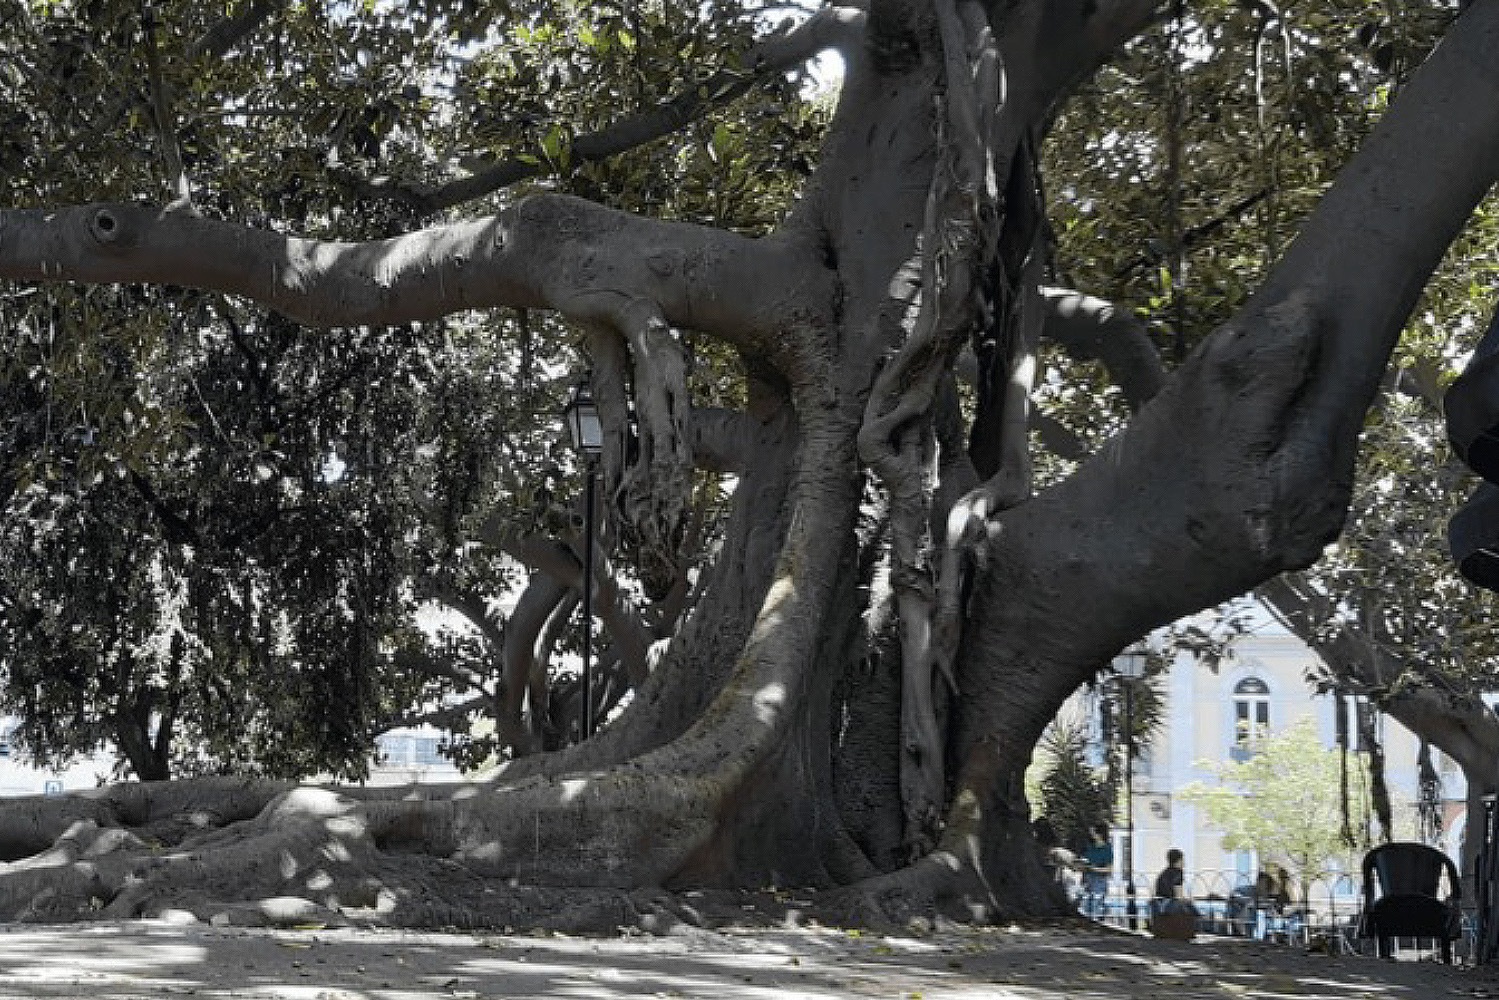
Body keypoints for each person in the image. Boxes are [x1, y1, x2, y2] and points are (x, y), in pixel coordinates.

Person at [1151, 847, 1199, 940]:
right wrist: (1188, 901)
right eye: (1183, 860)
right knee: (1189, 906)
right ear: (1178, 860)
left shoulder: (1164, 872)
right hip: (1170, 904)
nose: (1184, 863)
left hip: (1159, 903)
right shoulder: (1178, 873)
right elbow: (1178, 895)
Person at [1079, 823, 1113, 919]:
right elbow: (1084, 859)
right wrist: (1081, 863)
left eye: (1093, 832)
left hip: (1099, 880)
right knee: (1085, 906)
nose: (1091, 834)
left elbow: (1109, 869)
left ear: (1100, 834)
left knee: (1097, 906)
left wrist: (1095, 869)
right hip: (1087, 879)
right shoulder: (1090, 847)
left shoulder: (1107, 848)